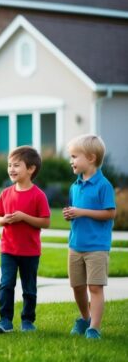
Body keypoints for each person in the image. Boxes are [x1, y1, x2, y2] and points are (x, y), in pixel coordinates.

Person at [0, 146, 51, 334]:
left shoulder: (38, 195)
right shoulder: (6, 193)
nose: (11, 169)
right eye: (9, 165)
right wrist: (4, 220)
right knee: (6, 284)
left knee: (29, 288)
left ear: (31, 169)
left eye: (16, 165)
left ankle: (27, 321)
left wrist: (24, 217)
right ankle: (5, 320)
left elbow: (46, 222)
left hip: (30, 251)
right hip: (8, 249)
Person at [63, 134, 116, 339]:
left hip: (97, 247)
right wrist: (70, 214)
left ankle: (94, 327)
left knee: (95, 287)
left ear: (91, 158)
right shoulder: (74, 186)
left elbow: (110, 213)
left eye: (75, 156)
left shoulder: (104, 186)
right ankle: (84, 318)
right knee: (77, 286)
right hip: (75, 245)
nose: (71, 161)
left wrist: (82, 211)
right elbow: (75, 210)